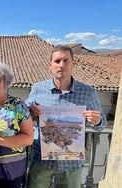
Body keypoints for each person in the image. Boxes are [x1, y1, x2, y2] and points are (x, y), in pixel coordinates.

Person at [25, 45, 107, 188]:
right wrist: (30, 112)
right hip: (41, 159)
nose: (61, 65)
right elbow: (23, 114)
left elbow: (103, 124)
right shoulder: (38, 88)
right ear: (50, 65)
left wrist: (97, 120)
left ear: (73, 63)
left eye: (65, 60)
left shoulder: (88, 92)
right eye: (57, 61)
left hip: (72, 164)